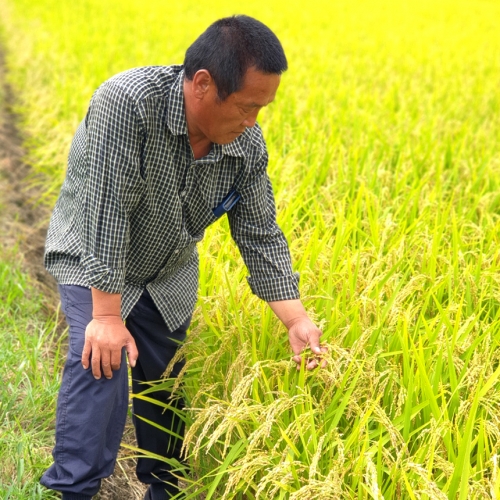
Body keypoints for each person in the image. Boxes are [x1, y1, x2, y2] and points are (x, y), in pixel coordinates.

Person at [40, 14, 325, 500]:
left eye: (263, 109)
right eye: (246, 107)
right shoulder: (128, 104)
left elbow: (260, 234)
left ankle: (164, 491)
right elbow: (108, 212)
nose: (253, 121)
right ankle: (73, 491)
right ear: (202, 84)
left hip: (166, 272)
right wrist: (107, 317)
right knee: (101, 366)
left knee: (165, 386)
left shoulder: (245, 147)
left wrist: (295, 318)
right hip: (93, 254)